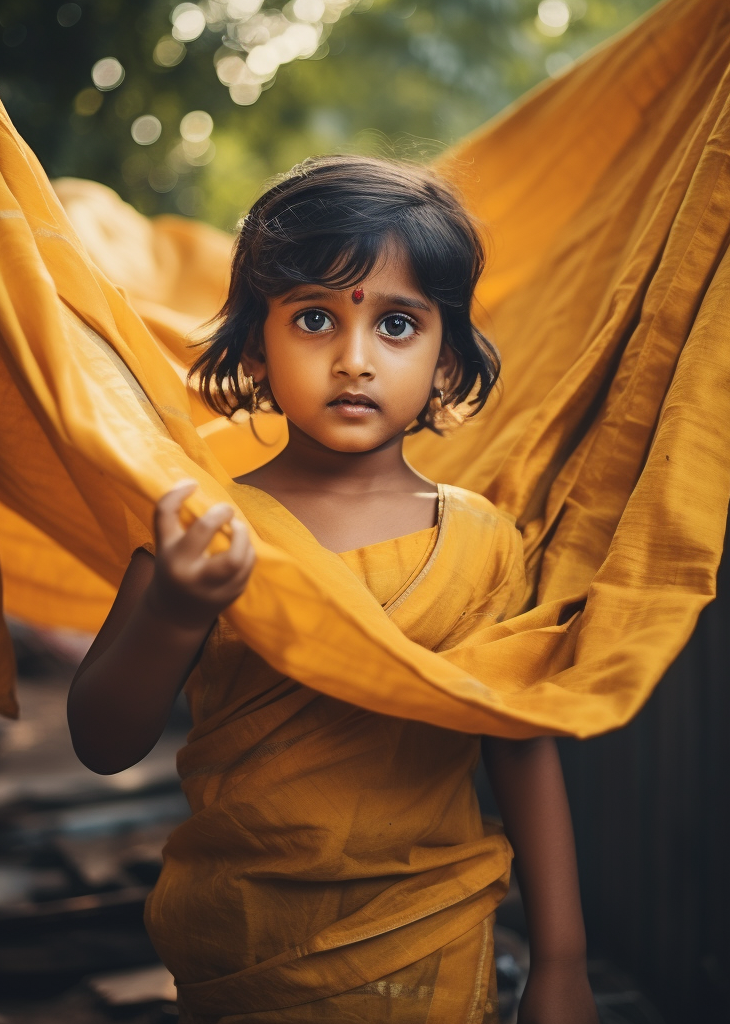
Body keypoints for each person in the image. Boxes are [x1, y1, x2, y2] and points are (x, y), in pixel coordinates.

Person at [68, 156, 599, 1023]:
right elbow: (101, 740)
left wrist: (562, 962)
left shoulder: (485, 545)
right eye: (314, 318)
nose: (355, 359)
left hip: (426, 942)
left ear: (445, 355)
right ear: (253, 346)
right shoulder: (202, 528)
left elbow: (520, 746)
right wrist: (175, 608)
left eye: (397, 325)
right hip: (243, 946)